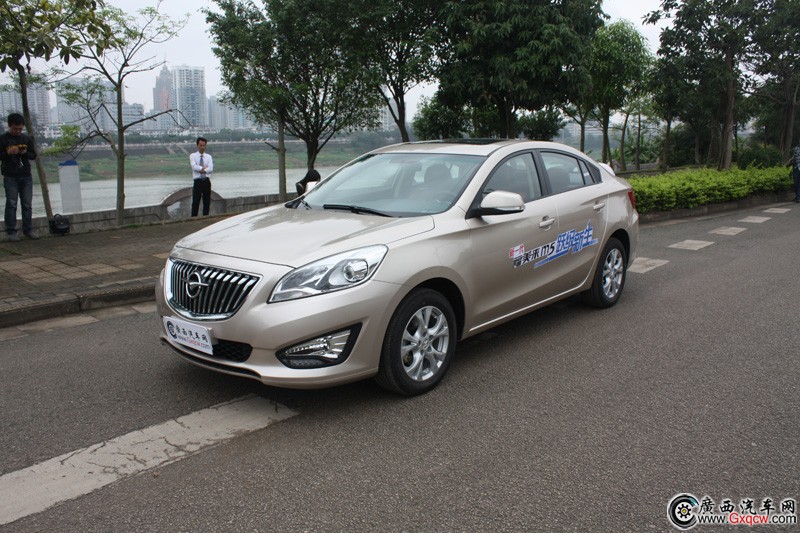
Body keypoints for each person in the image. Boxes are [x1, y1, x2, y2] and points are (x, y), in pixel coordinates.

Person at [1, 113, 38, 241]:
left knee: (27, 204)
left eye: (20, 129)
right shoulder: (3, 139)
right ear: (9, 126)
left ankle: (28, 229)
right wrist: (8, 152)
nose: (18, 131)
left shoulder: (26, 139)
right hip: (10, 175)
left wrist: (25, 153)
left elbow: (33, 155)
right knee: (11, 204)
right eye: (15, 128)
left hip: (26, 175)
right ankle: (11, 231)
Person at [189, 137, 214, 216]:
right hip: (198, 181)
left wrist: (201, 169)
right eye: (201, 145)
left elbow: (211, 169)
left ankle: (206, 217)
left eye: (204, 145)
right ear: (197, 145)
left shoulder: (209, 157)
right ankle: (193, 218)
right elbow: (194, 167)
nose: (202, 147)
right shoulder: (193, 156)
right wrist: (203, 168)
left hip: (206, 181)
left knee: (207, 201)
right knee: (195, 201)